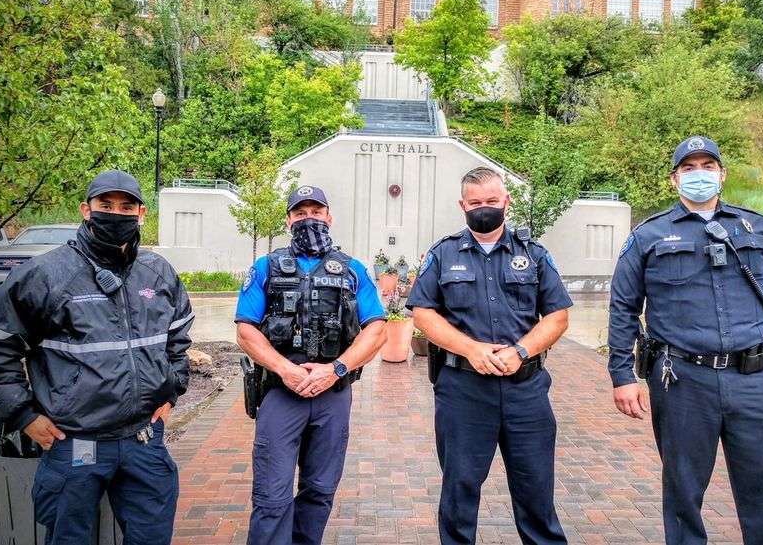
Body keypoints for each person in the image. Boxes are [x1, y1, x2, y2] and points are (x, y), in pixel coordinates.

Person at [0, 169, 193, 544]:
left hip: (144, 442)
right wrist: (22, 414)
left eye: (126, 206)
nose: (116, 213)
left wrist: (172, 387)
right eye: (105, 205)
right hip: (75, 445)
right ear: (86, 209)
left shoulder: (157, 272)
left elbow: (179, 336)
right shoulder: (47, 274)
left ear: (141, 213)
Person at [608, 136, 763, 545]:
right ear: (674, 180)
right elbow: (623, 309)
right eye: (688, 168)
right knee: (684, 492)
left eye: (708, 165)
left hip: (756, 381)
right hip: (683, 381)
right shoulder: (648, 236)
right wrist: (622, 375)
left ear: (722, 174)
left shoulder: (757, 228)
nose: (699, 174)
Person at [407, 166, 571, 545]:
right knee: (459, 492)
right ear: (462, 205)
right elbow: (423, 313)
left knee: (536, 493)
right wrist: (471, 349)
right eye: (476, 202)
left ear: (506, 202)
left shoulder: (534, 254)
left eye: (492, 201)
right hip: (463, 390)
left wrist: (521, 351)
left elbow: (558, 315)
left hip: (525, 390)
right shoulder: (443, 254)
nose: (485, 208)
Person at [235, 185, 387, 545]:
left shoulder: (353, 270)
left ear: (329, 216)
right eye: (300, 213)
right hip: (280, 391)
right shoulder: (266, 267)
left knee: (319, 490)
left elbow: (376, 330)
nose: (308, 219)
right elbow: (245, 330)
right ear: (288, 219)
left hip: (332, 392)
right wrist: (285, 369)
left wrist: (336, 368)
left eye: (315, 212)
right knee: (271, 495)